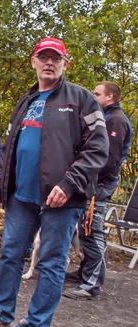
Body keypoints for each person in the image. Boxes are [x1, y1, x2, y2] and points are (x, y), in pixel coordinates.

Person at [0, 38, 109, 327]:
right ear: (34, 61)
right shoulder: (26, 101)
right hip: (22, 197)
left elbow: (99, 148)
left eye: (55, 58)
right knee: (10, 254)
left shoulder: (82, 99)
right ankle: (1, 315)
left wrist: (69, 183)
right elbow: (9, 149)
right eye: (43, 57)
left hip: (62, 199)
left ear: (65, 63)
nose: (49, 63)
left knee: (50, 263)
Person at [63, 82, 132, 300]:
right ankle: (85, 272)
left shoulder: (116, 121)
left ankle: (92, 284)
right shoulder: (105, 117)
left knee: (94, 231)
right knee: (85, 230)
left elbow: (109, 159)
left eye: (97, 93)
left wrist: (92, 180)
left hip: (100, 185)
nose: (93, 96)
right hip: (94, 183)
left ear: (110, 97)